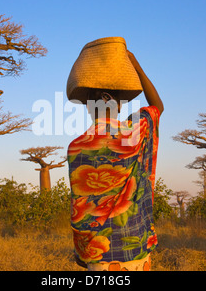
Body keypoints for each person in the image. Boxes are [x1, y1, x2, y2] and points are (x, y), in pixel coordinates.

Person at [67, 50, 163, 271]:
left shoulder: (76, 147)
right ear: (115, 104)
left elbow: (80, 207)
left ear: (90, 108)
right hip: (136, 246)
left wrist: (81, 250)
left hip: (97, 254)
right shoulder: (135, 131)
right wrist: (137, 66)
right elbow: (158, 107)